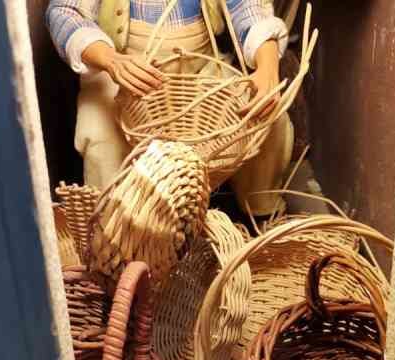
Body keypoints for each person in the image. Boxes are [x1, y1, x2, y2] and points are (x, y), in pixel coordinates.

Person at [46, 0, 293, 215]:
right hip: (123, 69)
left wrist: (268, 67)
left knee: (265, 116)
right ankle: (112, 233)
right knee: (100, 133)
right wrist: (111, 60)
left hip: (199, 67)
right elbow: (66, 11)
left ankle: (262, 214)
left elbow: (247, 7)